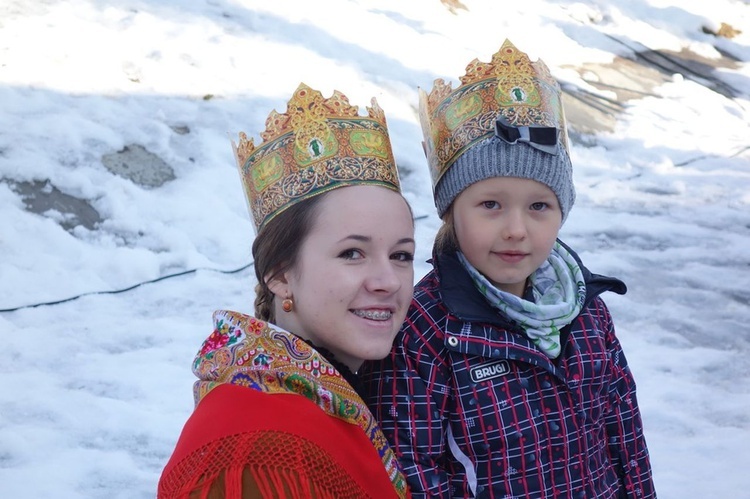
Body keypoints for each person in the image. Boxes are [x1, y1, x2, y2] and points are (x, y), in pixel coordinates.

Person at [360, 40, 656, 498]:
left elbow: (625, 436)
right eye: (490, 205)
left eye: (539, 205)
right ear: (450, 212)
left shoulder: (584, 308)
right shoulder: (425, 332)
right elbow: (415, 472)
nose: (516, 229)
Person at [158, 83, 415, 499]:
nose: (387, 280)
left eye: (402, 256)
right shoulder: (256, 452)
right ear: (279, 275)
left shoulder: (374, 390)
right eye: (352, 253)